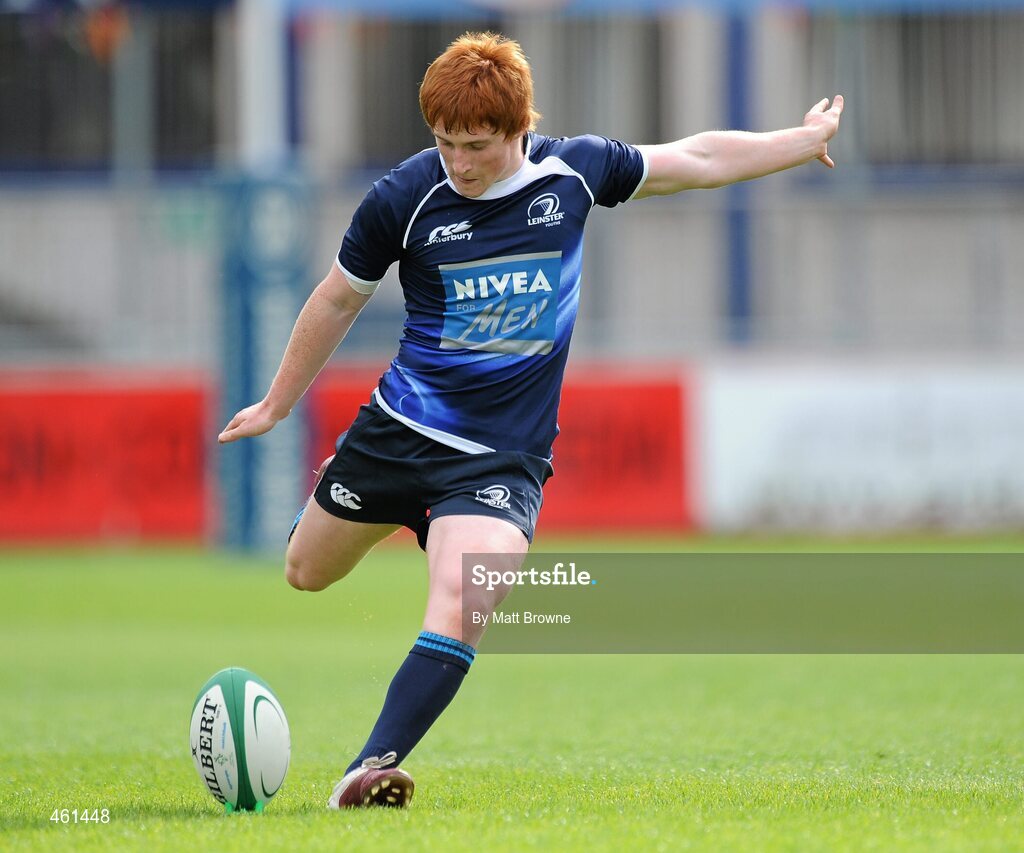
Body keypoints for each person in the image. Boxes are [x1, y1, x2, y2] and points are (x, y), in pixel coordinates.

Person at [218, 31, 844, 809]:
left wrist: (802, 139)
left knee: (465, 597)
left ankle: (368, 767)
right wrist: (278, 402)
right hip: (398, 431)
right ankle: (399, 514)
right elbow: (338, 297)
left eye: (475, 144)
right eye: (443, 141)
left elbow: (700, 159)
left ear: (519, 129)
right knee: (305, 571)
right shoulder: (404, 197)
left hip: (498, 460)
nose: (458, 160)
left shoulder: (572, 172)